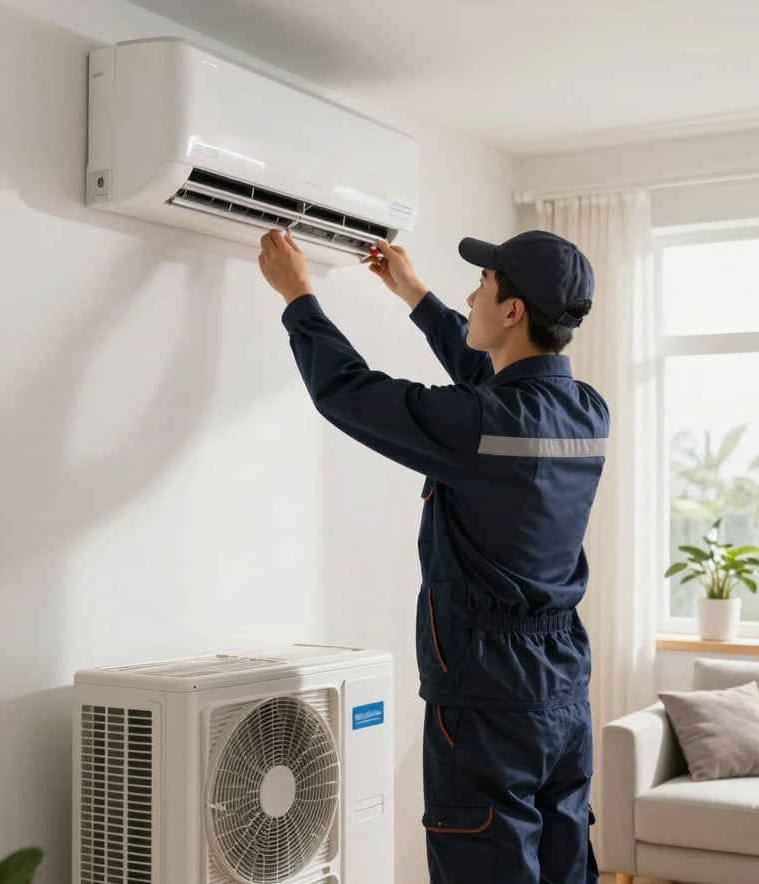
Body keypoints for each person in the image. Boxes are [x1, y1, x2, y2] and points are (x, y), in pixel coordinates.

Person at [258, 227, 608, 884]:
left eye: (484, 286)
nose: (471, 295)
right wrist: (414, 295)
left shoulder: (484, 425)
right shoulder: (587, 413)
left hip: (486, 692)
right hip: (561, 689)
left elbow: (350, 391)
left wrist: (298, 296)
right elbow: (496, 384)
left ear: (511, 312)